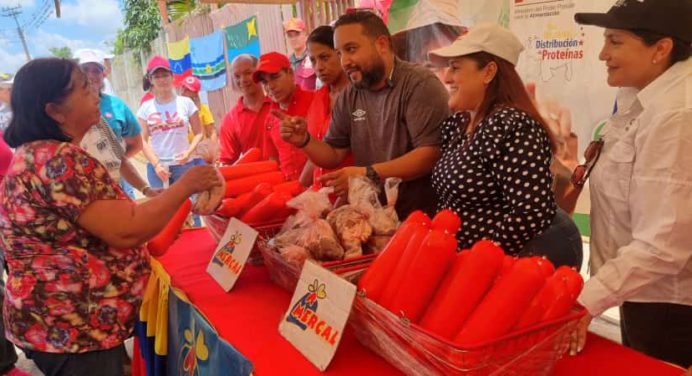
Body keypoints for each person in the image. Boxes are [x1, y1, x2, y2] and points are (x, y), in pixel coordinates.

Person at [0, 57, 220, 376]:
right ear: (54, 110)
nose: (95, 92)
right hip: (73, 328)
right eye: (82, 87)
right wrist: (188, 184)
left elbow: (105, 217)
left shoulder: (37, 154)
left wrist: (157, 196)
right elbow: (127, 230)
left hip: (57, 323)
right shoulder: (57, 160)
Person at [570, 0, 692, 368]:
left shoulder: (677, 114)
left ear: (661, 48)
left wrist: (587, 300)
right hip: (641, 290)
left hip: (671, 304)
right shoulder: (638, 97)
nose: (603, 54)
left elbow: (663, 245)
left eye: (616, 41)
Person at [426, 24, 582, 267]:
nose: (446, 77)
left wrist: (483, 259)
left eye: (455, 68)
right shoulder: (460, 124)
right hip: (462, 259)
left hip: (503, 265)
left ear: (488, 72)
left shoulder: (513, 125)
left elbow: (531, 212)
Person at [278, 11, 449, 217]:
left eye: (351, 49)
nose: (345, 61)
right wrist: (304, 140)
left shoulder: (419, 84)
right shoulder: (350, 95)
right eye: (340, 53)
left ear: (382, 44)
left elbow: (430, 154)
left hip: (420, 217)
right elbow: (333, 153)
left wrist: (368, 173)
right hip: (372, 218)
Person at [75, 49, 150, 198]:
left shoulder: (116, 106)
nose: (91, 75)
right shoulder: (68, 109)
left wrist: (112, 164)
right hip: (82, 187)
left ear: (103, 75)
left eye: (96, 71)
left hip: (117, 182)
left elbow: (135, 144)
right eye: (85, 70)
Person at [137, 56, 205, 188]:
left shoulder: (186, 103)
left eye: (165, 75)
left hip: (184, 166)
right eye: (157, 76)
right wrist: (156, 165)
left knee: (188, 203)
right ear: (150, 80)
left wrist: (188, 152)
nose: (162, 80)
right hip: (158, 168)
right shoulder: (145, 107)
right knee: (161, 206)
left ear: (172, 76)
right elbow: (142, 141)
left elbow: (199, 132)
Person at [299, 25, 353, 187]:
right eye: (313, 60)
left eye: (324, 57)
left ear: (340, 54)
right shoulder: (318, 98)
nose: (318, 67)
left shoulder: (359, 96)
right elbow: (316, 152)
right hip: (321, 196)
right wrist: (301, 187)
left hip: (353, 192)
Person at [254, 52, 314, 181]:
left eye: (275, 77)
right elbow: (273, 163)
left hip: (322, 190)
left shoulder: (315, 100)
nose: (270, 86)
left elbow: (329, 148)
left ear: (290, 73)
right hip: (290, 194)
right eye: (264, 82)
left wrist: (300, 186)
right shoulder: (270, 118)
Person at [218, 54, 277, 165]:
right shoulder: (230, 120)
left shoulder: (278, 106)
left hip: (286, 177)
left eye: (248, 73)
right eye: (237, 76)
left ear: (259, 74)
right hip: (254, 179)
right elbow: (226, 162)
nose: (243, 80)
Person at [179, 75, 219, 164]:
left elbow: (211, 131)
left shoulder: (202, 109)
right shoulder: (175, 108)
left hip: (199, 152)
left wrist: (214, 152)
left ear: (195, 93)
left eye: (187, 89)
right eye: (183, 87)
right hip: (182, 152)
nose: (183, 91)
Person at [284, 17, 317, 90]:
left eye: (297, 34)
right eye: (290, 36)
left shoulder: (314, 57)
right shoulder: (286, 62)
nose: (293, 38)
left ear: (305, 35)